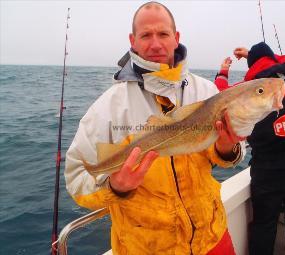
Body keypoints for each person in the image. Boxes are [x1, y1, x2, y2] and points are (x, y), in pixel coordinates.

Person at [65, 2, 245, 254]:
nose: (156, 43)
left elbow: (229, 156)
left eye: (163, 34)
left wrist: (227, 148)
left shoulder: (206, 92)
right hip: (146, 248)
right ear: (133, 40)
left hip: (212, 237)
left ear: (176, 37)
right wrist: (115, 187)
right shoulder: (108, 107)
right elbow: (76, 178)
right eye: (146, 35)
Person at [214, 42, 285, 255]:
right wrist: (254, 54)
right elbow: (284, 60)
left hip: (268, 169)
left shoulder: (248, 90)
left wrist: (224, 70)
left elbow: (220, 93)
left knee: (264, 224)